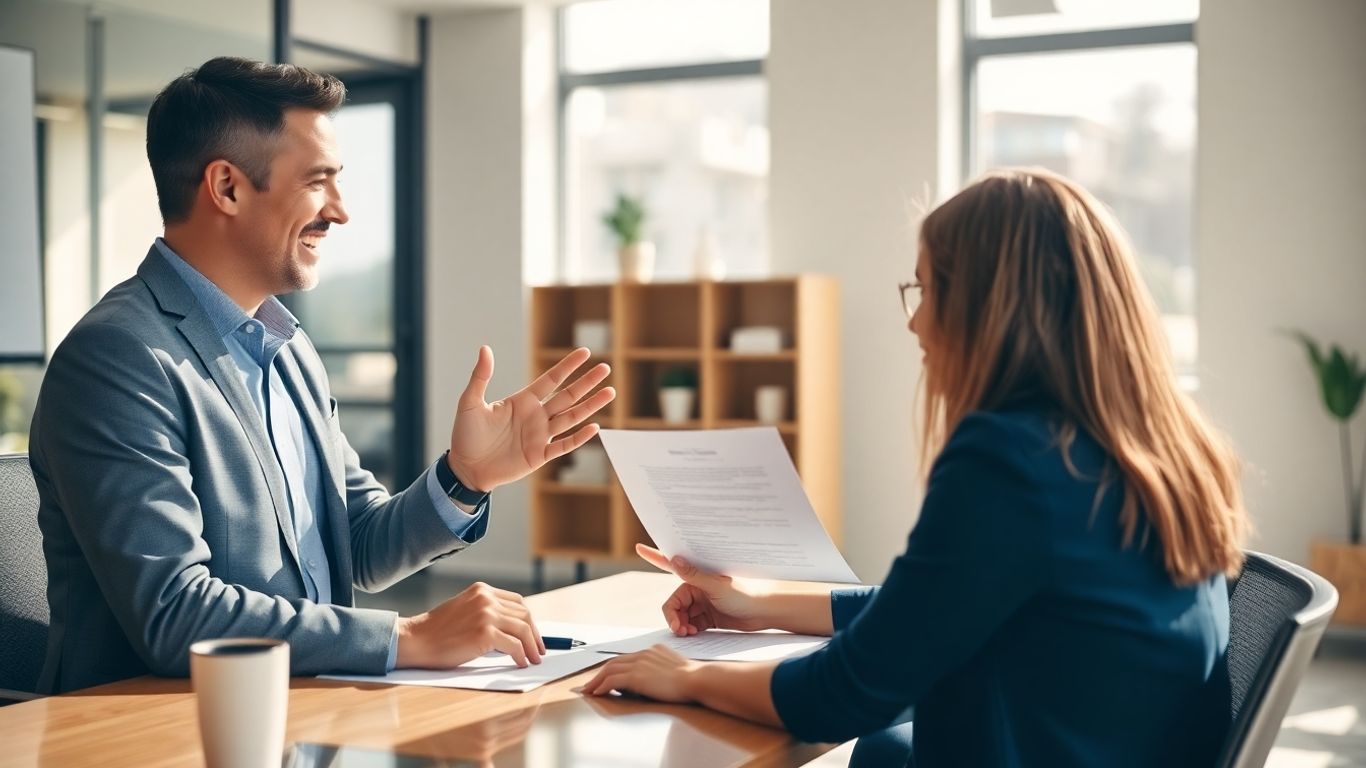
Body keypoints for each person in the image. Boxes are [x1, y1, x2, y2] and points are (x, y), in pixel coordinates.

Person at [583, 168, 1248, 767]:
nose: (916, 323)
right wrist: (754, 606)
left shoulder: (1010, 459)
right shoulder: (1154, 452)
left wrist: (685, 677)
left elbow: (846, 693)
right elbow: (933, 610)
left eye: (926, 290)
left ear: (991, 308)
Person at [29, 56, 614, 694]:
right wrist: (407, 638)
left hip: (301, 711)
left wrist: (464, 480)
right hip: (157, 730)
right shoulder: (119, 357)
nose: (340, 211)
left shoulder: (288, 347)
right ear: (226, 188)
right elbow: (175, 612)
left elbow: (357, 543)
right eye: (318, 182)